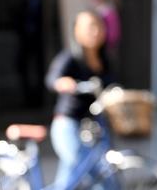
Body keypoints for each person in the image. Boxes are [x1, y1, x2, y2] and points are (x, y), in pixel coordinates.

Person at [45, 10, 115, 189]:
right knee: (88, 169)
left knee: (76, 177)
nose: (96, 31)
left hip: (93, 127)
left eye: (99, 26)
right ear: (77, 31)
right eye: (90, 27)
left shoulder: (105, 59)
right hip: (68, 125)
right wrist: (64, 83)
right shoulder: (70, 57)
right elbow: (52, 79)